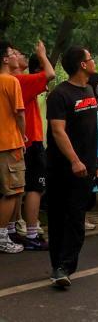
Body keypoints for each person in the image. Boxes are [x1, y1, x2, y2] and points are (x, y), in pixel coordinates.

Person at [45, 46, 98, 286]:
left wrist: (93, 162)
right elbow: (58, 130)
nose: (93, 60)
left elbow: (91, 131)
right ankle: (58, 266)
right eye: (90, 58)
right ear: (82, 64)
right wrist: (74, 160)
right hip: (62, 168)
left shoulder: (89, 89)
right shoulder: (60, 94)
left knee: (76, 218)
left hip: (84, 169)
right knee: (58, 218)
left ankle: (65, 265)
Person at [10, 43, 55, 250]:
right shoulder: (20, 81)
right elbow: (49, 74)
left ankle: (11, 230)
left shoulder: (14, 81)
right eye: (15, 53)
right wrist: (42, 55)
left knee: (17, 188)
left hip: (20, 140)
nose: (20, 55)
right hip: (30, 139)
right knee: (34, 187)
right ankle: (31, 232)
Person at [0, 41, 26, 254]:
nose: (16, 56)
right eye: (12, 53)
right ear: (5, 59)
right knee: (12, 191)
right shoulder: (11, 81)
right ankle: (2, 236)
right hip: (9, 143)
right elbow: (19, 113)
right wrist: (23, 134)